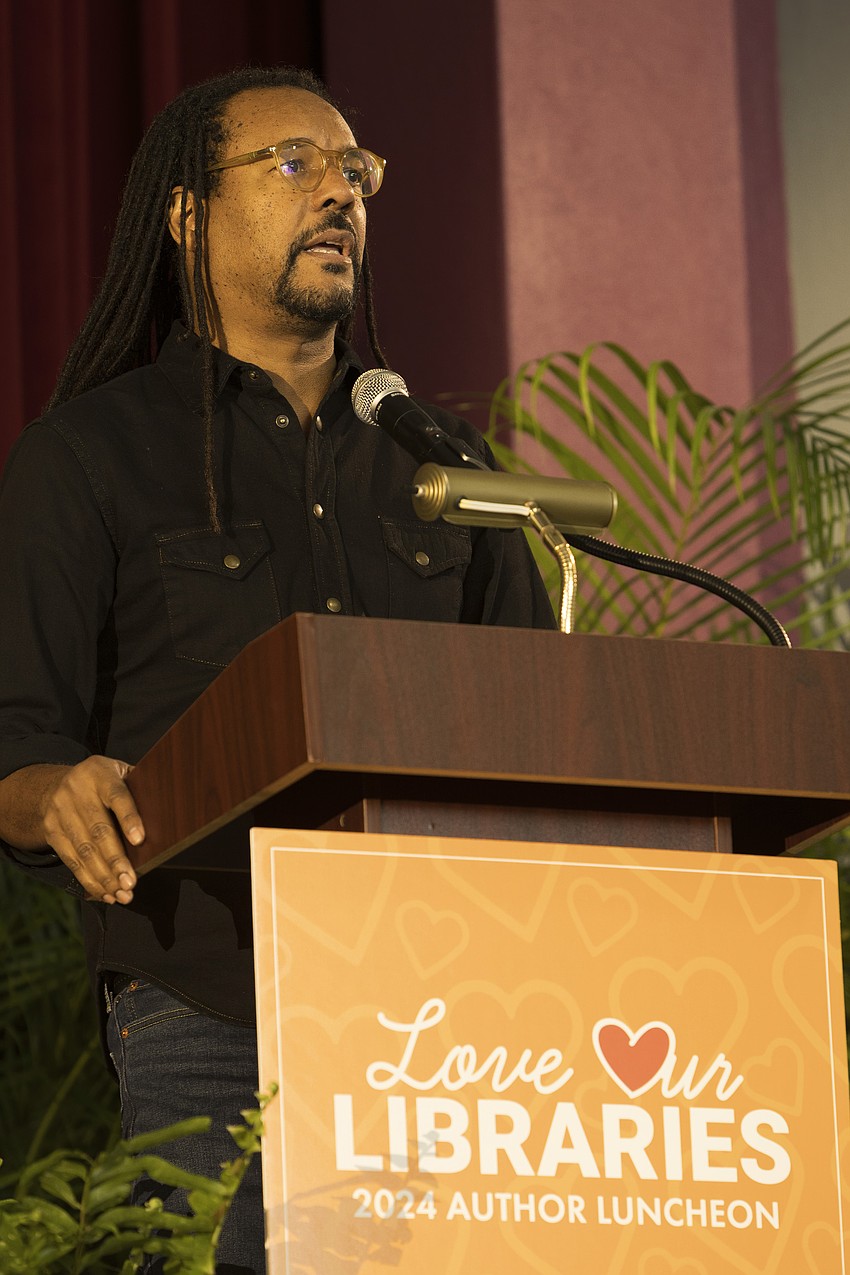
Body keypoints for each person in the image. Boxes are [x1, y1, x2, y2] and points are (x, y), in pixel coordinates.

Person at [0, 65, 555, 1272]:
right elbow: (16, 741)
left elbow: (539, 726)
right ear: (189, 214)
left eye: (356, 170)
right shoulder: (90, 456)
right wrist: (56, 793)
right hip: (210, 997)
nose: (341, 193)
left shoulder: (447, 467)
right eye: (294, 164)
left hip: (459, 1019)